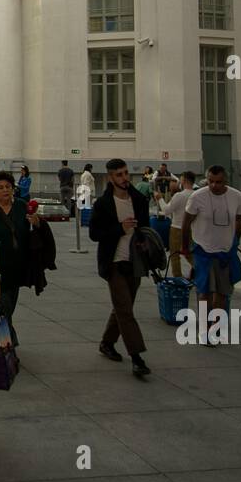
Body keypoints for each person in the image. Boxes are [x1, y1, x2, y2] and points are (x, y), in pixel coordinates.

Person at [88, 158, 152, 377]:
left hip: (134, 262)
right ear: (110, 178)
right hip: (113, 262)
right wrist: (120, 228)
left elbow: (145, 228)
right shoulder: (103, 204)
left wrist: (144, 241)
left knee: (122, 308)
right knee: (125, 310)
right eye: (119, 175)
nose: (124, 178)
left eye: (125, 173)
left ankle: (106, 343)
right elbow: (94, 234)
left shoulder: (139, 200)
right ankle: (137, 357)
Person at [181, 165, 241, 343]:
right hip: (203, 250)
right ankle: (204, 327)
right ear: (206, 180)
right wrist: (185, 248)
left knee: (223, 292)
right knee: (205, 291)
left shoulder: (236, 196)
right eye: (211, 181)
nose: (214, 185)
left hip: (225, 251)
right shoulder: (197, 196)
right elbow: (186, 223)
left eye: (219, 182)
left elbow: (240, 219)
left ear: (226, 180)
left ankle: (214, 328)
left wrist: (235, 241)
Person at [0, 170, 39, 349]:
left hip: (17, 266)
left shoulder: (21, 206)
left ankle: (7, 336)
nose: (5, 190)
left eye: (8, 187)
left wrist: (37, 222)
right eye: (0, 187)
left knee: (9, 305)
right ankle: (6, 343)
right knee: (2, 307)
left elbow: (32, 231)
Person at [166, 171, 196, 280]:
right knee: (189, 253)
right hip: (192, 229)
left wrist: (159, 198)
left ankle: (178, 278)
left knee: (174, 254)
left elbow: (166, 210)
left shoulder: (179, 195)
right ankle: (200, 269)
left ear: (183, 181)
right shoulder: (196, 195)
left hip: (177, 228)